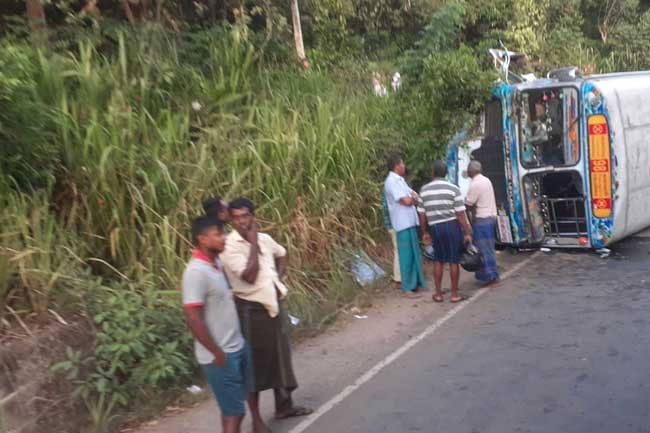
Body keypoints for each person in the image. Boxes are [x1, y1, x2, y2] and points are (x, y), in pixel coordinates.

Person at [220, 198, 312, 427]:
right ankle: (257, 421)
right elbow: (249, 276)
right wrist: (252, 243)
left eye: (245, 216)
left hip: (273, 305)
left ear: (253, 216)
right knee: (254, 366)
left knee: (281, 358)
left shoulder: (265, 239)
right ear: (231, 220)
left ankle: (284, 405)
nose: (242, 221)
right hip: (250, 310)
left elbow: (283, 253)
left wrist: (278, 278)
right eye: (237, 217)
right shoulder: (229, 246)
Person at [182, 216, 258, 433]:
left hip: (235, 345)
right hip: (220, 354)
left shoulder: (215, 264)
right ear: (202, 239)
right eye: (218, 234)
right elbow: (193, 318)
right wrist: (217, 353)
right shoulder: (195, 273)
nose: (224, 238)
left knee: (233, 411)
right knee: (234, 412)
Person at [417, 160, 472, 303]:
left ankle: (438, 294)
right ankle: (454, 294)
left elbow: (422, 216)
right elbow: (460, 214)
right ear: (446, 173)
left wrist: (425, 233)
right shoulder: (453, 189)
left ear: (433, 173)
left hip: (435, 227)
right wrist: (467, 232)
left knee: (438, 260)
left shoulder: (424, 190)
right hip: (452, 226)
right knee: (454, 260)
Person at [384, 154, 426, 298]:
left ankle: (414, 284)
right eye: (403, 164)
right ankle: (407, 288)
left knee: (414, 255)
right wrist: (413, 199)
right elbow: (407, 201)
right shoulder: (391, 182)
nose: (404, 166)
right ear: (397, 166)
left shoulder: (400, 180)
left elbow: (413, 195)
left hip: (409, 221)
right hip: (402, 223)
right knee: (406, 256)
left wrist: (413, 198)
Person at [466, 161, 500, 286]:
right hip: (490, 218)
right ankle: (493, 274)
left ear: (471, 171)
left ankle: (489, 276)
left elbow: (469, 204)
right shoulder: (486, 180)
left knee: (483, 249)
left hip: (482, 220)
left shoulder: (475, 184)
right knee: (489, 248)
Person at [382, 191, 401, 289]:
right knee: (399, 251)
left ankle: (399, 278)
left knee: (398, 250)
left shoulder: (387, 191)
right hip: (396, 225)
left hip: (393, 225)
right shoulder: (391, 190)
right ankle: (398, 279)